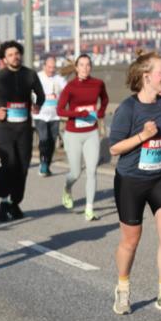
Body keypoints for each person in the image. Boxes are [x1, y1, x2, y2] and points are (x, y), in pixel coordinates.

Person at [108, 51, 161, 317]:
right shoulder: (128, 108)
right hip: (131, 181)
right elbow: (114, 148)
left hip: (160, 177)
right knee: (131, 240)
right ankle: (123, 287)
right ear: (146, 76)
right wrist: (143, 135)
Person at [0, 40, 44, 222]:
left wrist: (38, 105)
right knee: (9, 164)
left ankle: (15, 202)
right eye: (10, 55)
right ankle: (3, 201)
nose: (14, 57)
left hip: (24, 129)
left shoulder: (30, 75)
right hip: (5, 129)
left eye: (17, 53)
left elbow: (41, 94)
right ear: (4, 59)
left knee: (23, 166)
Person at [57, 53, 109, 221]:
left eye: (88, 65)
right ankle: (67, 187)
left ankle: (89, 209)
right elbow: (60, 110)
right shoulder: (70, 87)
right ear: (77, 67)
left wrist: (100, 112)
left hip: (91, 132)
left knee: (92, 171)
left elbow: (105, 99)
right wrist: (77, 113)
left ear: (91, 67)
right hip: (73, 134)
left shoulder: (98, 84)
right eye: (82, 65)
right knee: (75, 172)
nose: (85, 68)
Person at [33, 55, 65, 177]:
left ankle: (47, 164)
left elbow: (68, 90)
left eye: (53, 67)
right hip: (40, 115)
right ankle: (43, 162)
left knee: (52, 142)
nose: (52, 70)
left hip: (55, 116)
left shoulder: (59, 79)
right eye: (49, 67)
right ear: (44, 66)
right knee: (44, 139)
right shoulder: (37, 78)